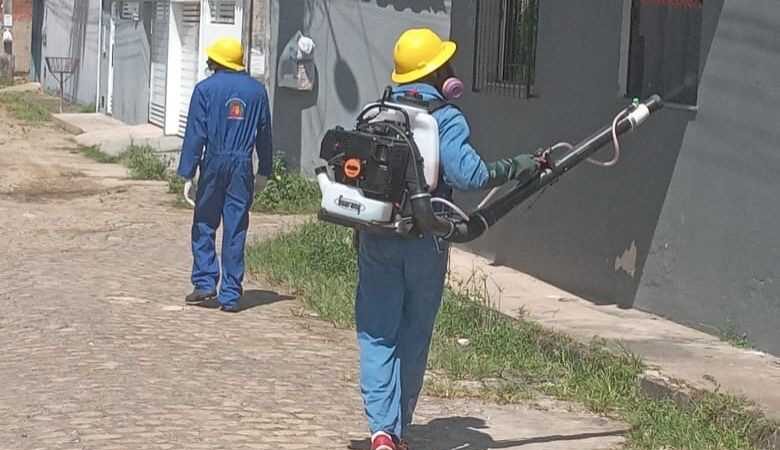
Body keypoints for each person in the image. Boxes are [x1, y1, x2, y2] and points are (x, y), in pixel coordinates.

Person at [357, 28, 546, 450]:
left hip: (378, 236)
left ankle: (381, 432)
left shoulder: (379, 111)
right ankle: (400, 429)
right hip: (427, 241)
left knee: (376, 333)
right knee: (413, 334)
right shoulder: (445, 117)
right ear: (440, 72)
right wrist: (516, 165)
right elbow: (471, 175)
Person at [177, 37, 272, 313]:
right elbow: (264, 133)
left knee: (205, 221)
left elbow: (196, 134)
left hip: (214, 160)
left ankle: (206, 282)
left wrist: (188, 173)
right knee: (236, 227)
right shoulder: (257, 91)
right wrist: (264, 170)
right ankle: (230, 294)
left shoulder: (204, 90)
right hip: (242, 165)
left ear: (215, 62)